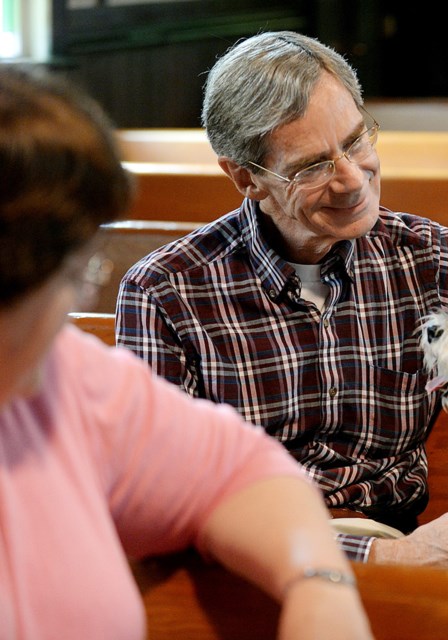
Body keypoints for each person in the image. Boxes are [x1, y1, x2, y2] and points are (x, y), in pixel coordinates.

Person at [115, 31, 448, 568]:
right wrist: (384, 557)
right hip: (249, 565)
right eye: (312, 165)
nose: (354, 180)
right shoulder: (166, 292)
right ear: (245, 178)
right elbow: (155, 503)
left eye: (357, 140)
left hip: (404, 538)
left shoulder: (415, 255)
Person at [0, 66, 372, 639]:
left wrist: (320, 585)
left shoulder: (61, 376)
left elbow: (238, 467)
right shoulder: (165, 287)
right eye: (75, 275)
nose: (74, 305)